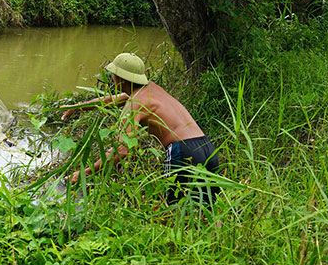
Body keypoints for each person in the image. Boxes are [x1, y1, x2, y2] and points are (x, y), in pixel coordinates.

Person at [61, 52, 220, 204]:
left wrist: (85, 172)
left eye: (113, 75)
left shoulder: (134, 104)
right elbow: (111, 100)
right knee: (207, 209)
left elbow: (122, 150)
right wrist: (78, 106)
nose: (112, 79)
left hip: (183, 152)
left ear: (120, 79)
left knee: (169, 208)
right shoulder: (151, 90)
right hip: (207, 148)